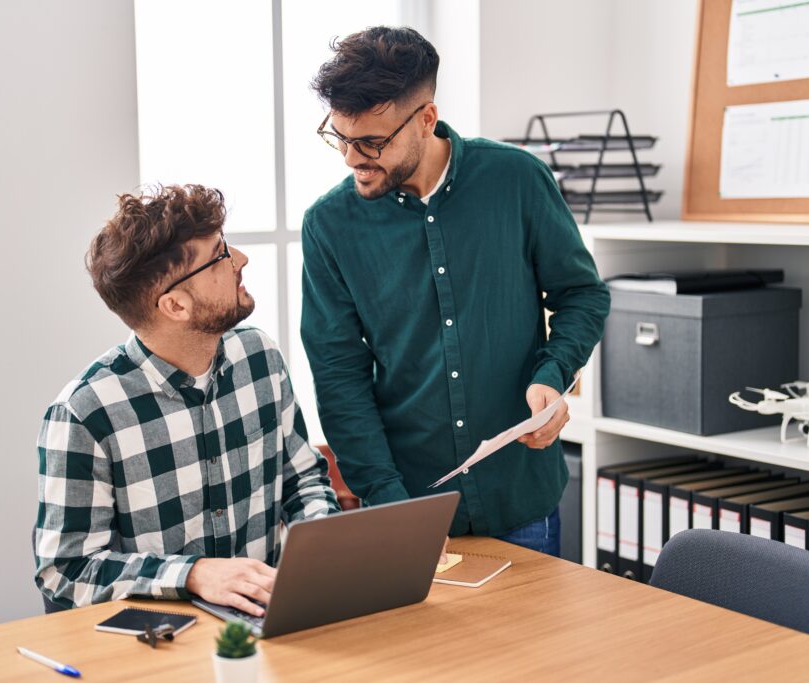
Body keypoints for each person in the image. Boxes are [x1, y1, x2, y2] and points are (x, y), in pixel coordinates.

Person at [301, 27, 609, 558]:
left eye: (372, 142)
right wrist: (391, 505)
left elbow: (582, 293)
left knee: (539, 646)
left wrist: (553, 375)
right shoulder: (329, 226)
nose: (353, 159)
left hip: (522, 500)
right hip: (410, 507)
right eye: (340, 137)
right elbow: (339, 377)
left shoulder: (517, 180)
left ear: (425, 118)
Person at [35, 184, 338, 616]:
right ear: (175, 305)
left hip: (268, 628)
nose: (240, 261)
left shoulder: (260, 359)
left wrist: (326, 554)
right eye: (219, 257)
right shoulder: (85, 414)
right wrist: (191, 575)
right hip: (162, 644)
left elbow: (303, 481)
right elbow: (65, 570)